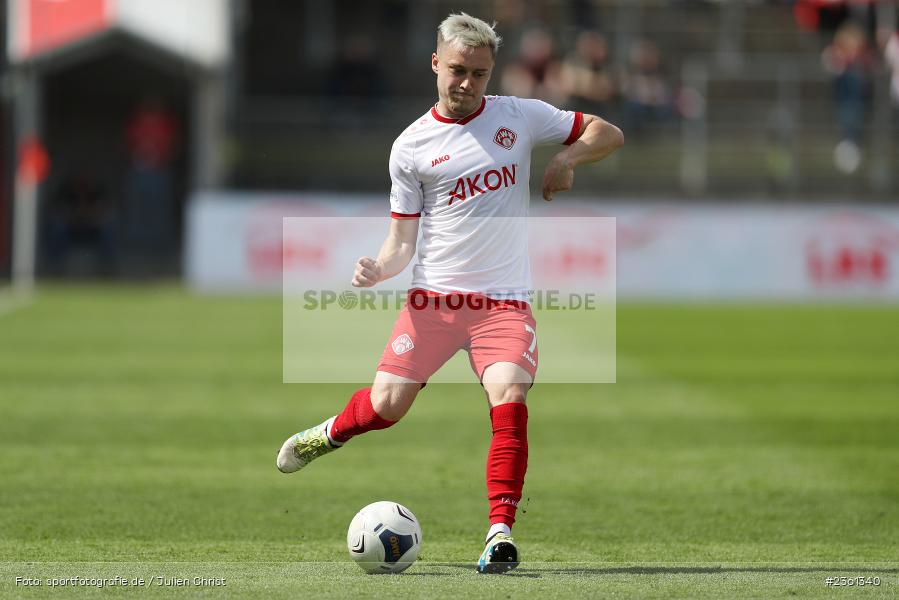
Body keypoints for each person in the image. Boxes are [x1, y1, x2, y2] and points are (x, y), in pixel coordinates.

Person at [276, 13, 623, 574]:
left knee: (509, 392)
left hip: (503, 302)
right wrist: (379, 268)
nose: (467, 83)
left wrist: (565, 156)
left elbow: (608, 132)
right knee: (387, 407)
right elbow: (400, 241)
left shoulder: (520, 116)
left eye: (480, 74)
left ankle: (499, 533)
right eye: (458, 71)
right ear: (436, 64)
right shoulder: (411, 146)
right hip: (434, 302)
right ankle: (329, 433)